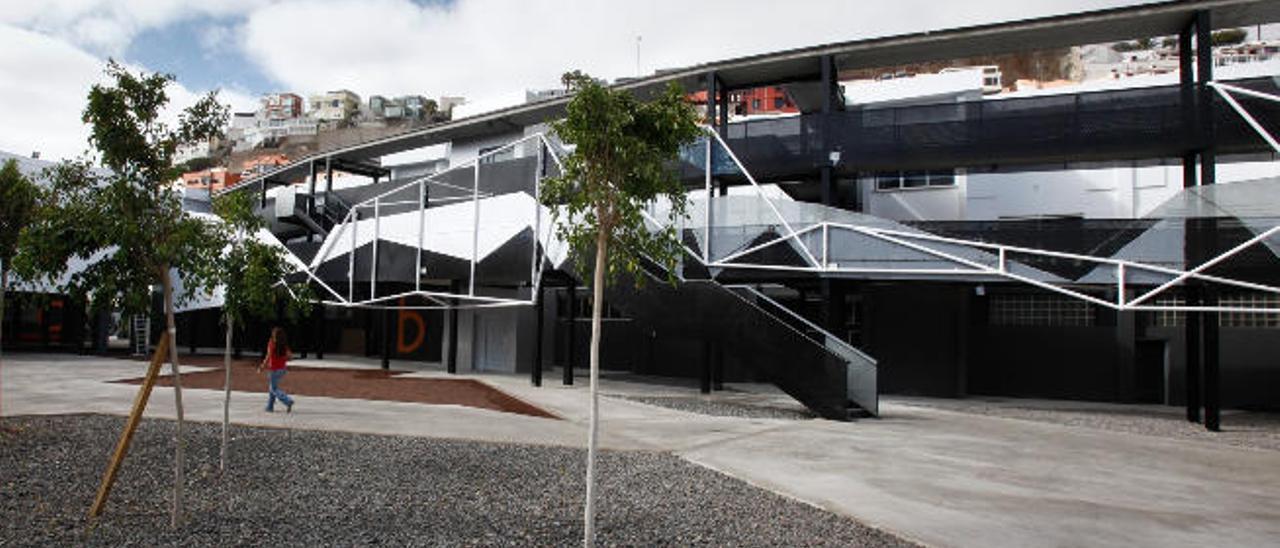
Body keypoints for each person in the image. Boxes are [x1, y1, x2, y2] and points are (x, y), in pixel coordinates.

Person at [258, 327, 295, 413]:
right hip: (282, 370)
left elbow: (268, 357)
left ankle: (287, 401)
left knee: (273, 389)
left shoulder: (271, 343)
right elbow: (291, 357)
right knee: (272, 388)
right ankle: (270, 407)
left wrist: (262, 366)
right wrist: (284, 358)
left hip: (273, 370)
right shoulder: (283, 345)